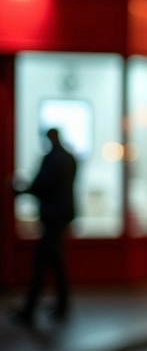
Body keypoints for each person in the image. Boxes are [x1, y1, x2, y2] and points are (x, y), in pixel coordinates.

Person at [12, 128, 77, 325]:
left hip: (52, 217)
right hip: (62, 215)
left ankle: (30, 309)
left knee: (41, 262)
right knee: (56, 262)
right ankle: (61, 304)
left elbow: (42, 185)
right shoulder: (69, 158)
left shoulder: (52, 159)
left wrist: (21, 190)